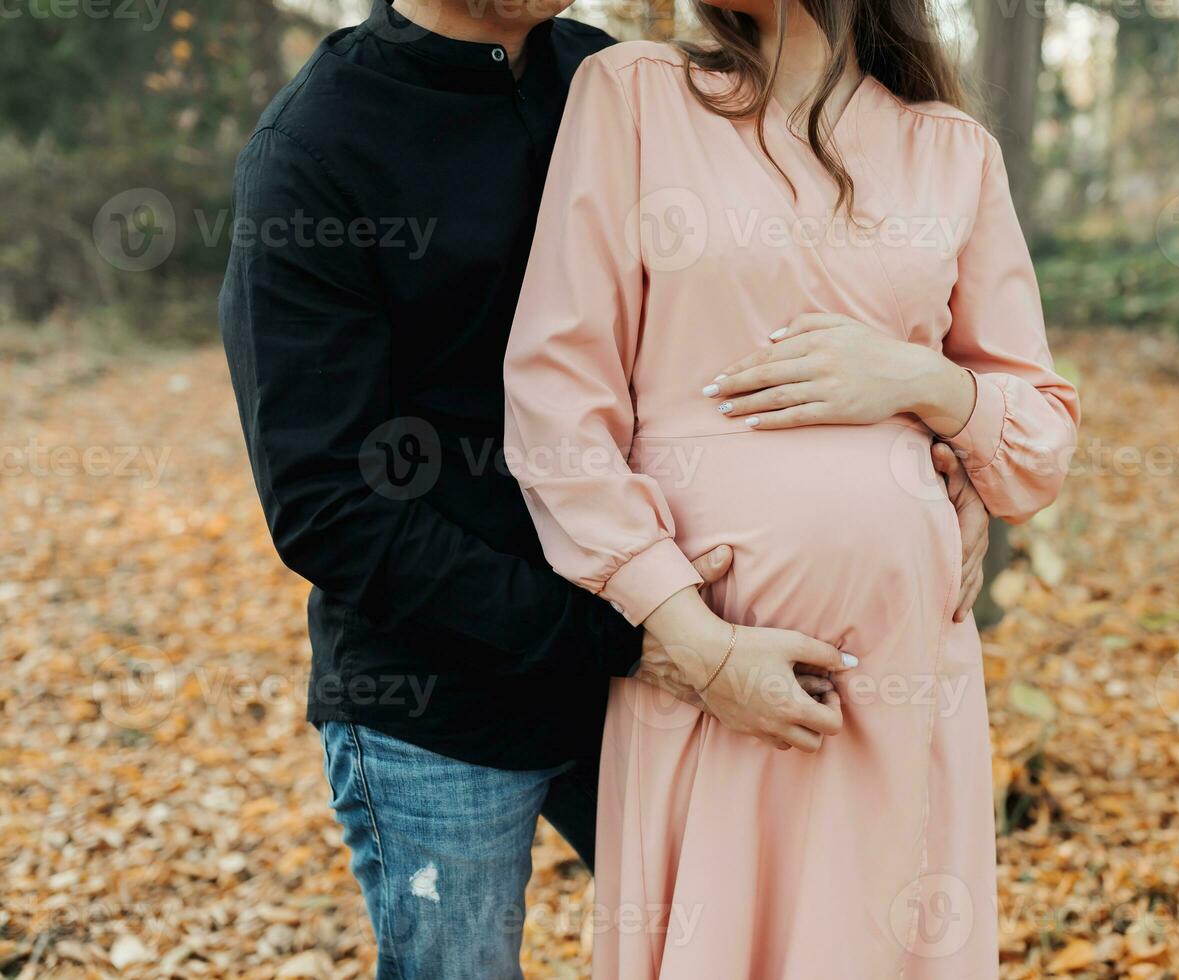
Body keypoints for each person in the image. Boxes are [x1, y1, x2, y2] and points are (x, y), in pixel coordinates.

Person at [218, 1, 991, 977]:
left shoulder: (614, 77)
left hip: (645, 666)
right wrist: (641, 633)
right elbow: (326, 505)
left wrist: (936, 449)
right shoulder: (316, 152)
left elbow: (761, 296)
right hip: (442, 699)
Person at [502, 1, 1081, 976]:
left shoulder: (952, 152)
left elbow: (1038, 443)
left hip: (903, 676)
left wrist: (920, 382)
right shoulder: (636, 95)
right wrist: (685, 631)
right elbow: (559, 394)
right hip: (712, 661)